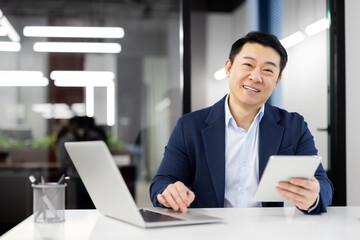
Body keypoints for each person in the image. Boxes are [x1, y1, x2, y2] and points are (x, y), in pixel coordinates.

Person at [150, 31, 333, 214]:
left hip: (267, 231)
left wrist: (313, 197)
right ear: (229, 68)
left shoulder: (294, 126)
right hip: (208, 231)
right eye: (248, 65)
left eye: (267, 70)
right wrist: (169, 191)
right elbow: (162, 182)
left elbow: (323, 185)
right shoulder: (189, 126)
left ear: (277, 80)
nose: (256, 77)